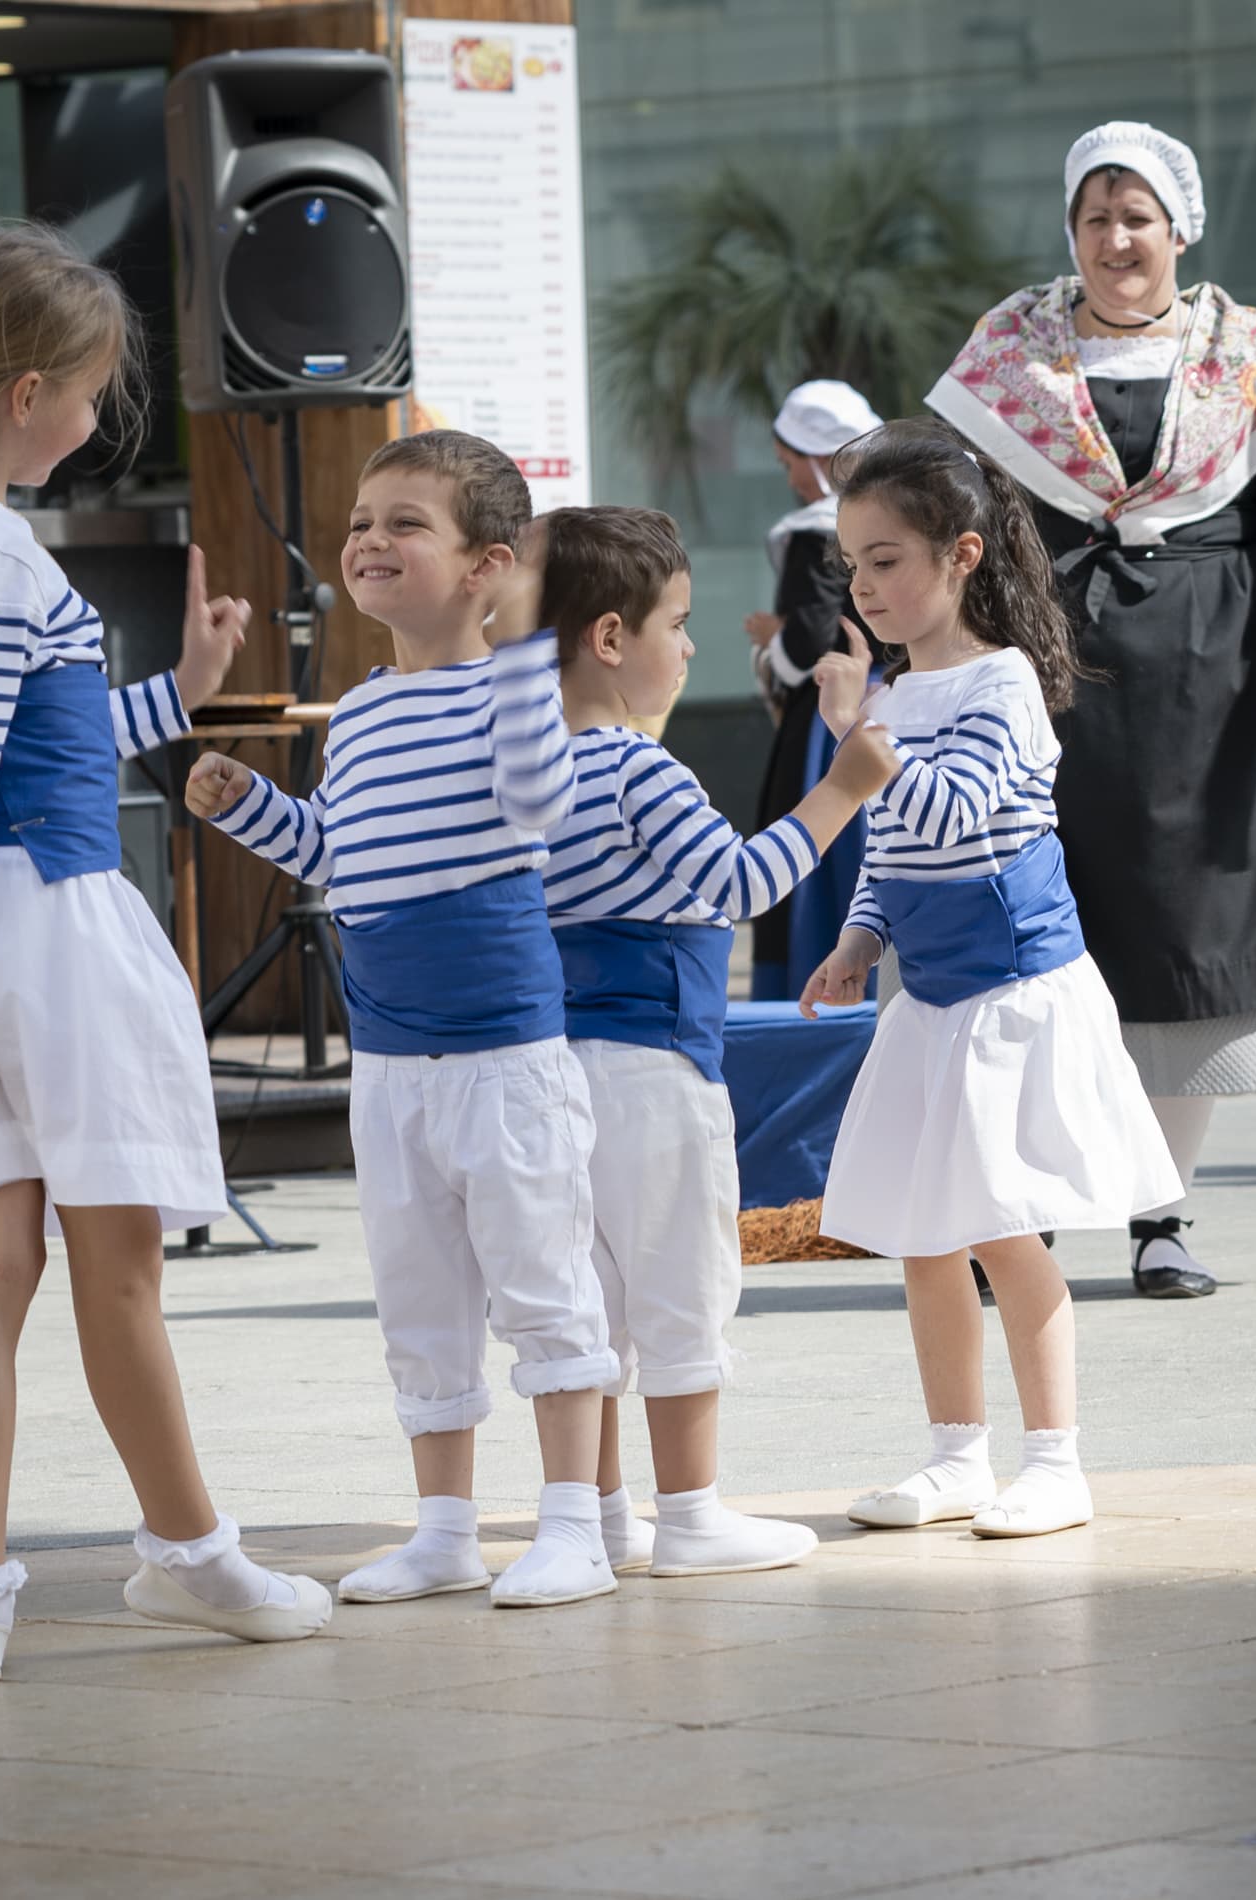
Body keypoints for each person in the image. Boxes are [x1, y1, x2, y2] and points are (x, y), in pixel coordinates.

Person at [0, 222, 331, 1685]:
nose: (93, 420)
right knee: (116, 1264)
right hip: (39, 929)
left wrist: (174, 695)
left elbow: (6, 754)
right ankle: (191, 1556)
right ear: (23, 392)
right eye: (88, 394)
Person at [925, 121, 1256, 1298]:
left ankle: (1160, 1215)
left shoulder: (1255, 353)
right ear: (1071, 230)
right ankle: (1030, 1218)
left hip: (1220, 687)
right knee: (1046, 951)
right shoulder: (1009, 348)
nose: (1114, 239)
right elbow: (946, 512)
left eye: (1136, 217)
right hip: (1047, 679)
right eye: (1094, 217)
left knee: (1187, 955)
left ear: (1180, 228)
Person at [187, 431, 624, 1611]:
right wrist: (255, 809)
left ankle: (575, 1525)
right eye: (361, 520)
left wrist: (532, 652)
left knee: (544, 1285)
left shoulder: (512, 686)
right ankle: (442, 1529)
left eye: (406, 523)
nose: (370, 540)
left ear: (488, 566)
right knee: (419, 1299)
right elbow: (340, 853)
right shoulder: (364, 709)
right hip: (389, 1069)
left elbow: (543, 799)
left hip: (503, 1060)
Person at [801, 419, 1181, 1538]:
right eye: (852, 565)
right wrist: (861, 938)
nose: (865, 587)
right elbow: (891, 850)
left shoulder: (1002, 684)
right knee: (925, 1233)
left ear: (961, 555)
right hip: (931, 1003)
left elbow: (955, 818)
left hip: (1012, 999)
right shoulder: (890, 696)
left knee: (1004, 1227)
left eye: (886, 560)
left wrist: (854, 743)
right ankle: (955, 1453)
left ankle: (1054, 1460)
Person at [538, 505, 898, 1575]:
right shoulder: (637, 767)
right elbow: (739, 882)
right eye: (679, 622)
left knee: (588, 1298)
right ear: (612, 639)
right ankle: (690, 1512)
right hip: (653, 1068)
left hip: (551, 1070)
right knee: (682, 1285)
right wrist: (842, 789)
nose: (693, 646)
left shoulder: (521, 769)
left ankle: (602, 1514)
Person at [747, 379, 885, 1000]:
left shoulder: (817, 531)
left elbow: (807, 643)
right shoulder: (890, 515)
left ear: (818, 457)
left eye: (791, 464)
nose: (793, 481)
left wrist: (777, 640)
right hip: (883, 703)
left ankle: (817, 989)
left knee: (824, 861)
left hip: (830, 717)